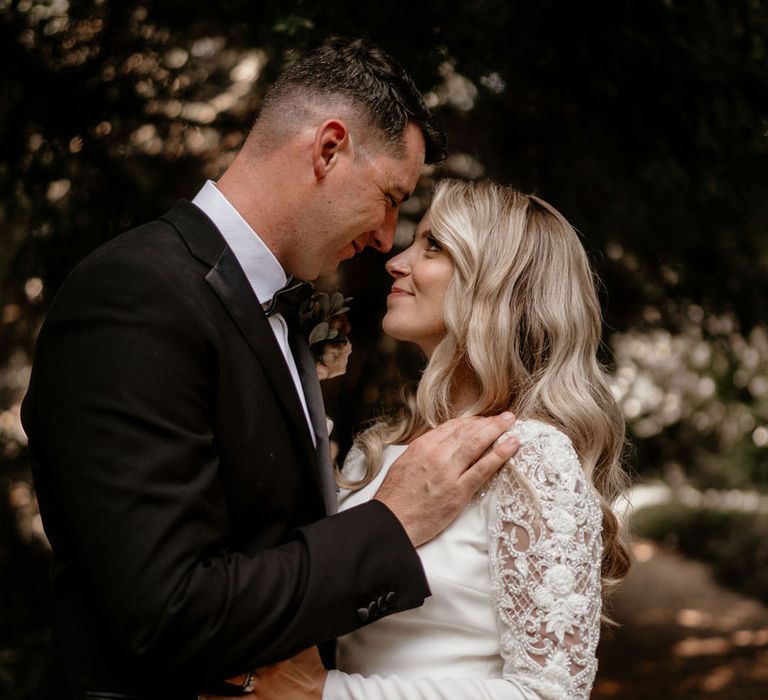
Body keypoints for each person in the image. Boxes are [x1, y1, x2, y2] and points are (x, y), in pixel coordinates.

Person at [21, 40, 521, 699]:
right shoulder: (136, 295)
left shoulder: (277, 309)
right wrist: (392, 523)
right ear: (328, 149)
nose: (384, 237)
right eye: (391, 197)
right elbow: (165, 611)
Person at [242, 179, 631, 700]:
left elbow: (549, 693)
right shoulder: (378, 447)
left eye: (434, 245)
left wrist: (327, 694)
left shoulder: (529, 455)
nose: (394, 262)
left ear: (496, 282)